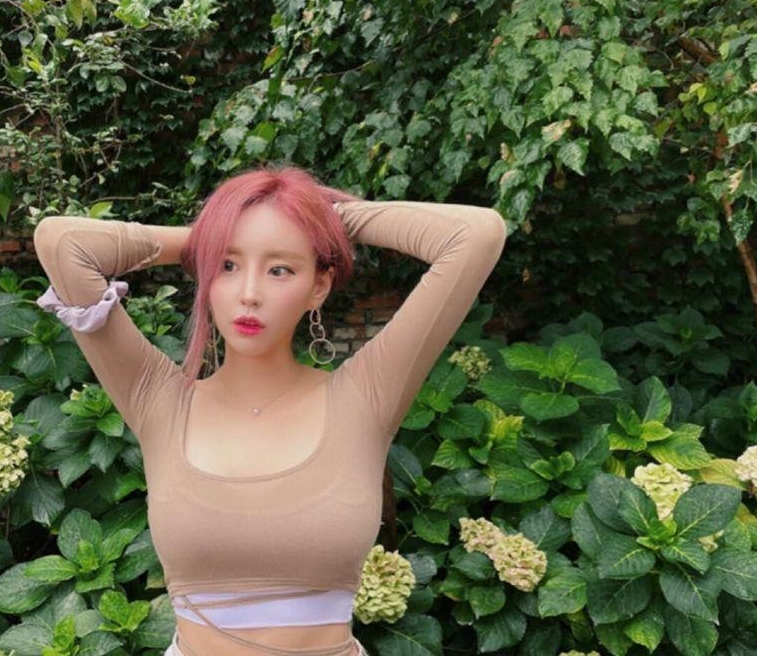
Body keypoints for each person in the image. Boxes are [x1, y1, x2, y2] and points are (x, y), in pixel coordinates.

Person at [33, 164, 507, 656]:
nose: (249, 293)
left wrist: (322, 220)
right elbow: (62, 243)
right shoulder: (157, 399)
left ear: (319, 286)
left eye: (280, 269)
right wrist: (212, 234)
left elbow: (475, 235)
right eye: (227, 265)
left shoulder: (366, 397)